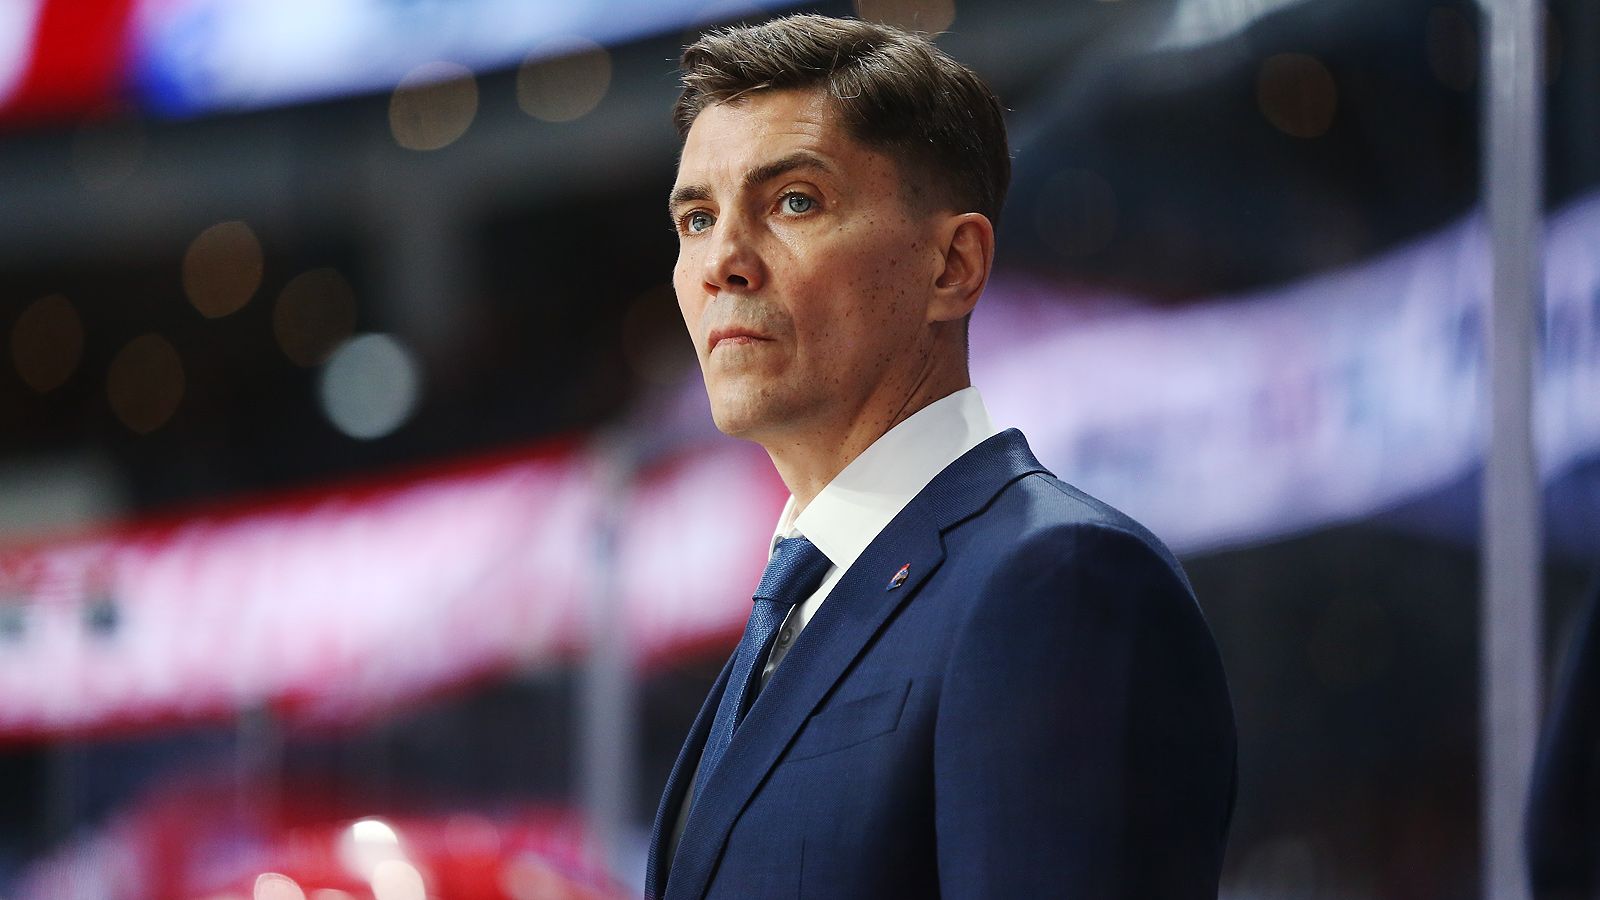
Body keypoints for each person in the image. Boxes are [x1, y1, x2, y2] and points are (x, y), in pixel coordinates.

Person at [646, 14, 1236, 899]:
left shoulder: (1058, 581)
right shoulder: (798, 607)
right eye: (697, 218)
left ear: (952, 265)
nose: (721, 260)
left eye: (794, 202)